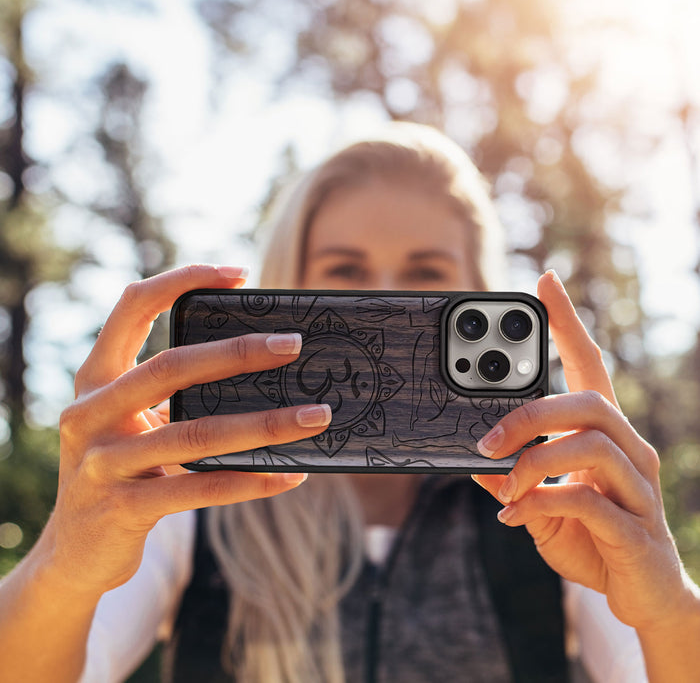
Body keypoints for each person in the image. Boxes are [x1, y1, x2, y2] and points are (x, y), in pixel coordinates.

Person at [1, 122, 699, 683]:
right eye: (346, 274)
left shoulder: (548, 506)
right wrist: (65, 563)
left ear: (479, 293)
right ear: (286, 289)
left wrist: (667, 610)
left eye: (426, 275)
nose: (388, 300)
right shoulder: (194, 499)